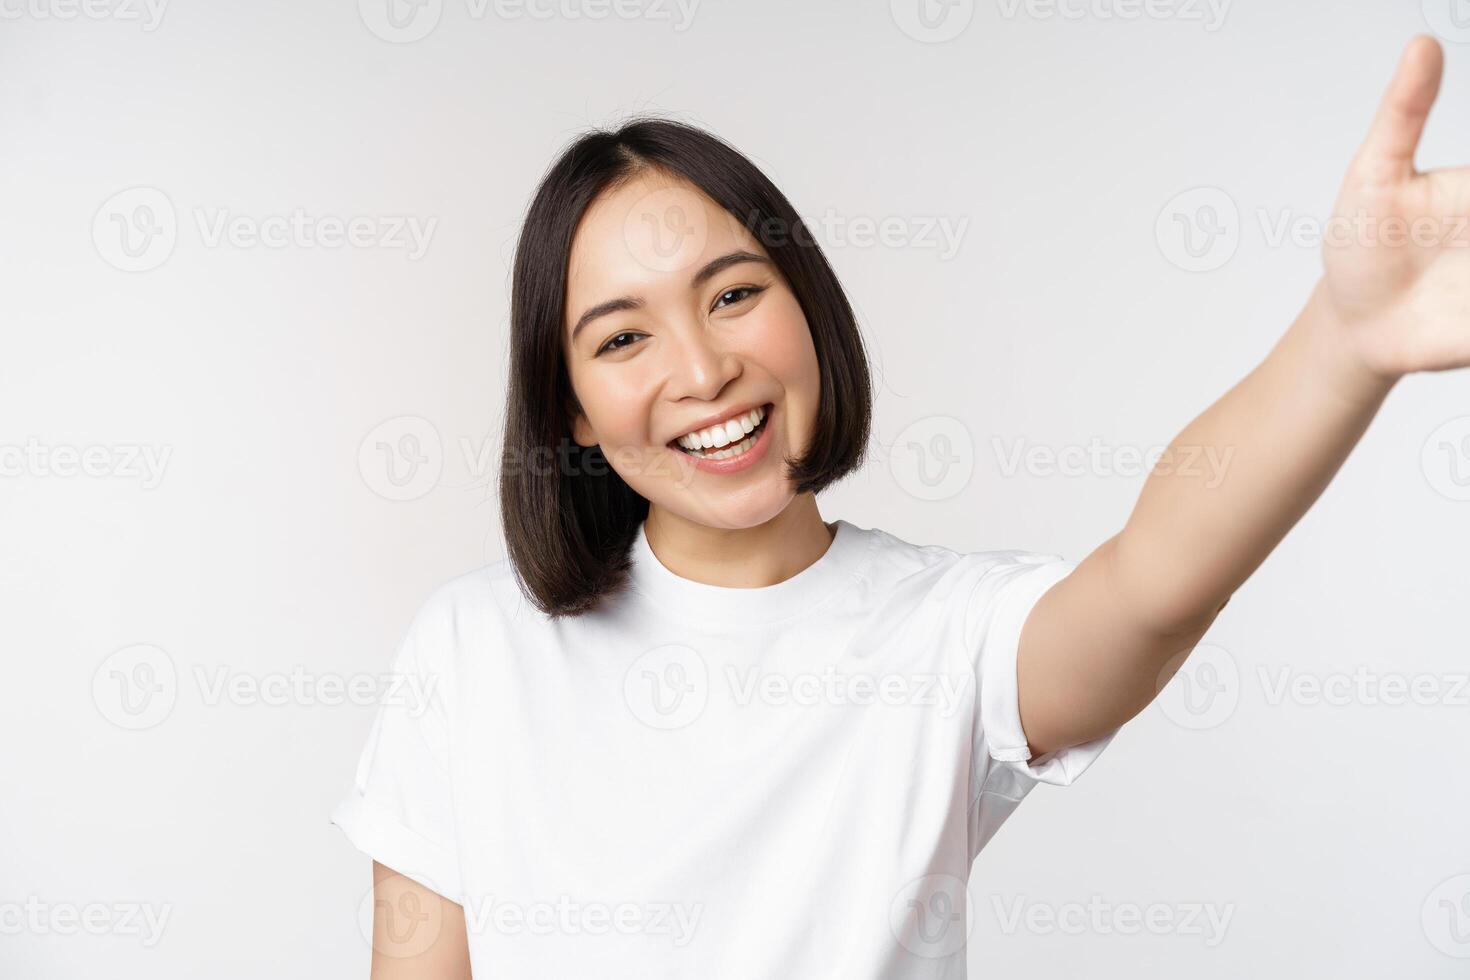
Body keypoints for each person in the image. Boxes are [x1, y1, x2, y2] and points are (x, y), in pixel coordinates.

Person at [332, 35, 1466, 978]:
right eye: (622, 336)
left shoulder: (948, 635)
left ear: (807, 308)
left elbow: (1157, 581)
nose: (700, 367)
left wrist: (1346, 341)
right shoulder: (475, 650)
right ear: (570, 406)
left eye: (733, 294)